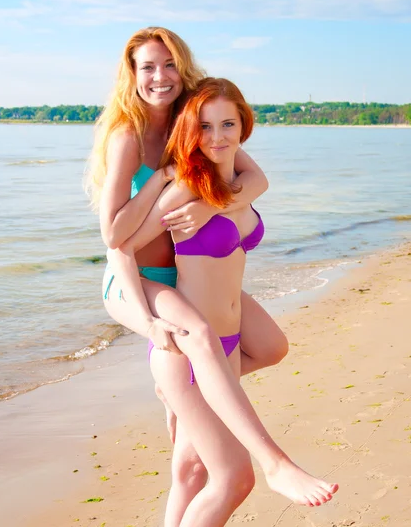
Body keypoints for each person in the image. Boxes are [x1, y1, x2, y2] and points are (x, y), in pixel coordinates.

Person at [106, 76, 338, 524]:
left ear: (243, 123)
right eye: (205, 127)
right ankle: (273, 462)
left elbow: (253, 184)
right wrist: (145, 318)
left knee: (191, 471)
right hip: (190, 353)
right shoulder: (186, 185)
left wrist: (219, 204)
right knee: (234, 480)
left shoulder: (237, 181)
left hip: (227, 345)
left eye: (227, 124)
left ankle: (175, 394)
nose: (217, 137)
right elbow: (123, 246)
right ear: (191, 133)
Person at [85, 26, 289, 525]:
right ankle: (268, 457)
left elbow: (255, 178)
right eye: (148, 67)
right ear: (131, 76)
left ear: (184, 67)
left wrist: (209, 207)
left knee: (268, 347)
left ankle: (187, 391)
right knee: (197, 336)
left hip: (179, 283)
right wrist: (162, 177)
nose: (160, 77)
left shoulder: (195, 118)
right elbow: (114, 238)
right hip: (135, 280)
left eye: (170, 64)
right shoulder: (127, 136)